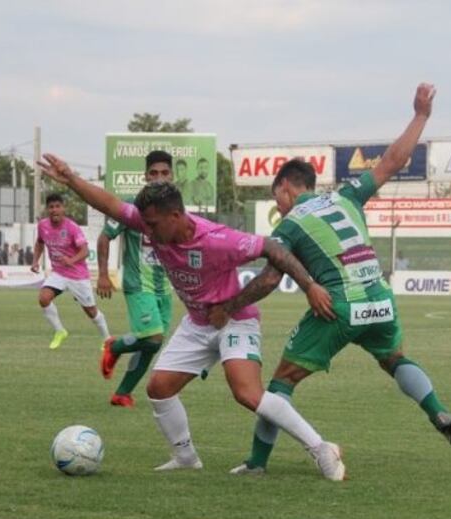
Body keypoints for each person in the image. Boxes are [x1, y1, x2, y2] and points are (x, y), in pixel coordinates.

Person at [37, 153, 347, 481]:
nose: (149, 233)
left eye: (154, 225)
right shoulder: (151, 221)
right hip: (198, 323)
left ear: (175, 215)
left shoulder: (218, 240)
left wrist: (309, 286)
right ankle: (185, 457)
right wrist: (71, 179)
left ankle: (321, 448)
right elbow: (111, 204)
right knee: (159, 388)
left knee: (247, 394)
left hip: (235, 319)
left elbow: (274, 249)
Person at [212, 83, 451, 476]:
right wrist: (420, 115)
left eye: (276, 196)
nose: (277, 204)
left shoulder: (291, 222)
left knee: (280, 383)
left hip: (338, 306)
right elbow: (393, 161)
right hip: (380, 300)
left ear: (284, 187)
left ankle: (257, 463)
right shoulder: (348, 194)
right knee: (395, 358)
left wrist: (228, 307)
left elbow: (266, 281)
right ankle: (437, 411)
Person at [98, 150, 176, 408]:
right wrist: (102, 275)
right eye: (153, 173)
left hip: (165, 287)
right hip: (137, 284)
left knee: (152, 344)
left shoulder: (177, 209)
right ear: (145, 176)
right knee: (152, 338)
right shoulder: (130, 208)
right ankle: (115, 347)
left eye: (164, 173)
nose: (159, 178)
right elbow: (104, 237)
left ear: (172, 176)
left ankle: (122, 393)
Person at [31, 193, 111, 349]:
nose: (55, 210)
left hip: (77, 276)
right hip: (59, 273)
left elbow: (85, 251)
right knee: (43, 298)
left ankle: (107, 339)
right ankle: (60, 331)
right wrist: (35, 261)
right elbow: (39, 243)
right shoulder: (43, 225)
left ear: (63, 208)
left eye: (58, 206)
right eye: (51, 207)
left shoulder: (72, 227)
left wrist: (71, 260)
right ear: (48, 209)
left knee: (91, 312)